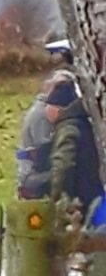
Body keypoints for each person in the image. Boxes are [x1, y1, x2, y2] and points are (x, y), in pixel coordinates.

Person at [17, 35, 103, 214]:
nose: (47, 111)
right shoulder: (77, 123)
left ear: (56, 108)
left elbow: (62, 166)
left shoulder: (68, 129)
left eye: (49, 107)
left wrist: (55, 198)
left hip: (86, 200)